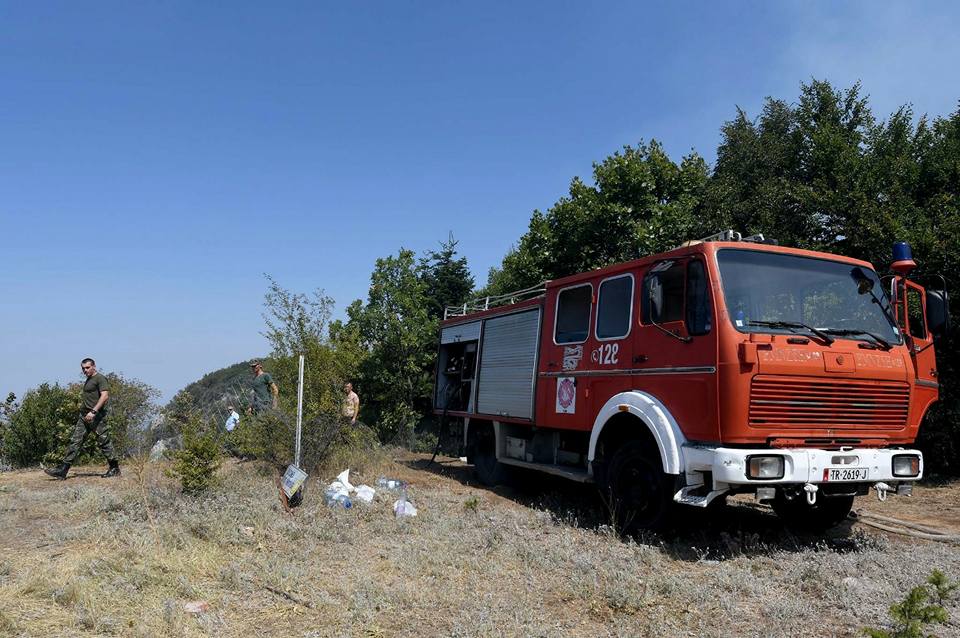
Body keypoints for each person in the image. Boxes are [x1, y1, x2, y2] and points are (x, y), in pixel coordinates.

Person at [45, 358, 120, 480]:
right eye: (83, 368)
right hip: (84, 416)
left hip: (96, 416)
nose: (85, 370)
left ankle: (114, 468)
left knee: (104, 442)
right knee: (75, 441)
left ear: (94, 366)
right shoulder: (89, 379)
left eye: (87, 367)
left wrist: (93, 411)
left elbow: (105, 396)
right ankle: (63, 470)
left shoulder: (100, 378)